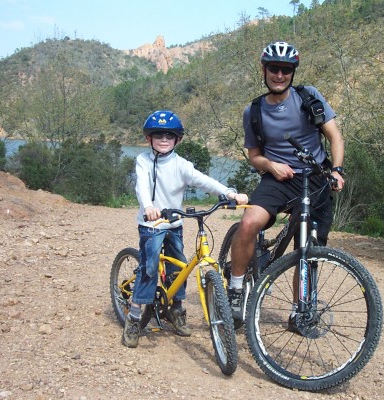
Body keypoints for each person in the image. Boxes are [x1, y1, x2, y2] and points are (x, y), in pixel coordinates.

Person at [227, 41, 345, 328]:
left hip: (315, 178)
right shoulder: (253, 111)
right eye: (274, 69)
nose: (279, 75)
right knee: (248, 223)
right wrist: (271, 165)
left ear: (292, 72)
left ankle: (299, 309)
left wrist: (337, 170)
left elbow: (335, 137)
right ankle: (236, 287)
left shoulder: (308, 97)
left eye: (286, 70)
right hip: (277, 179)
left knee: (308, 248)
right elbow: (254, 156)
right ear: (264, 70)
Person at [123, 110, 249, 348]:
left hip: (174, 224)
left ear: (177, 139)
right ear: (149, 138)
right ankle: (134, 316)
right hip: (152, 224)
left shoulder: (181, 164)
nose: (163, 139)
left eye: (169, 135)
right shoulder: (143, 160)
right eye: (158, 134)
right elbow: (141, 185)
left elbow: (203, 180)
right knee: (149, 267)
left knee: (179, 265)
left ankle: (177, 310)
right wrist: (148, 207)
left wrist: (229, 193)